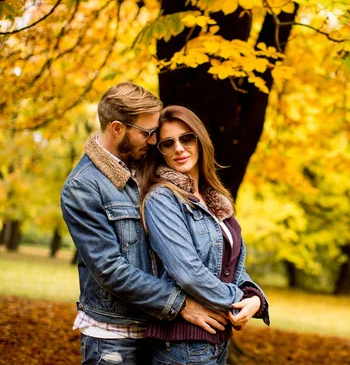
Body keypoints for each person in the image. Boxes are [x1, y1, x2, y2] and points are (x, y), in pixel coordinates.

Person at [61, 83, 227, 365]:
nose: (153, 141)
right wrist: (181, 305)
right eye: (147, 133)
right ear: (117, 128)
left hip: (160, 332)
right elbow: (109, 269)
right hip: (114, 336)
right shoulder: (83, 187)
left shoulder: (146, 165)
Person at [139, 105, 270, 365]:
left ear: (200, 140)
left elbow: (234, 266)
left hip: (217, 341)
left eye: (186, 138)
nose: (178, 148)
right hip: (181, 346)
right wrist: (238, 300)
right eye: (168, 143)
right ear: (160, 151)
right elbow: (188, 272)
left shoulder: (216, 201)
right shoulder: (162, 199)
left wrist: (256, 299)